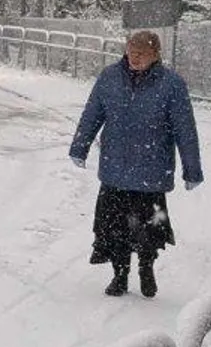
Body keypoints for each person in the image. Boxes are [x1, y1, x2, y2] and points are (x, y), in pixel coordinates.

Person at [68, 30, 203, 298]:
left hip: (151, 174)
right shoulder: (109, 77)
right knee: (114, 228)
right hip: (115, 170)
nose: (135, 57)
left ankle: (146, 268)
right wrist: (79, 147)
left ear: (156, 55)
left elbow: (185, 130)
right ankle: (119, 275)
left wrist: (192, 169)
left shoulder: (171, 85)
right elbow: (92, 114)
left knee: (149, 230)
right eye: (131, 51)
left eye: (141, 53)